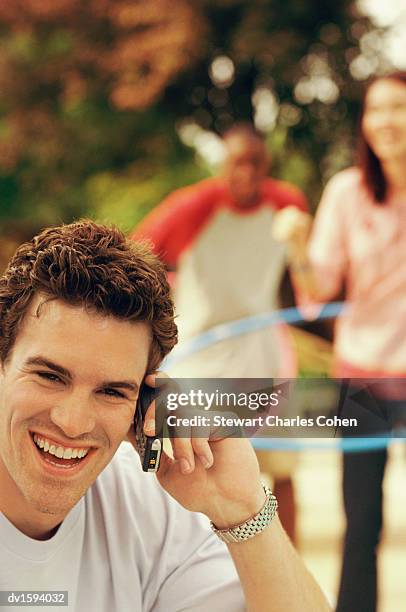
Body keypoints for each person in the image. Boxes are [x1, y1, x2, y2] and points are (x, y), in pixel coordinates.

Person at [0, 220, 330, 611]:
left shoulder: (147, 505)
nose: (73, 422)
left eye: (111, 391)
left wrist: (242, 509)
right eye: (49, 376)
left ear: (144, 403)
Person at [132, 123, 308, 543]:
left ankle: (289, 574)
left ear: (267, 164)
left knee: (281, 468)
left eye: (255, 163)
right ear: (220, 165)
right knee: (200, 470)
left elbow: (302, 271)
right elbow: (133, 257)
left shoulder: (286, 204)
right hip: (201, 356)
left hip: (263, 353)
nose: (245, 173)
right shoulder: (191, 207)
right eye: (236, 163)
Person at [272, 71, 406, 612]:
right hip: (365, 371)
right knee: (362, 523)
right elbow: (317, 290)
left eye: (397, 107)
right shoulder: (348, 193)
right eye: (375, 110)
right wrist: (298, 245)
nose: (385, 121)